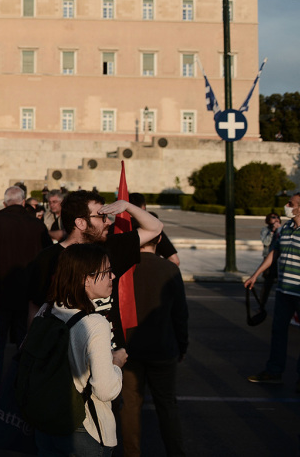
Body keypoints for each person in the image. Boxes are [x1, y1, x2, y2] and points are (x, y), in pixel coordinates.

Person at [26, 190, 164, 347]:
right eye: (102, 216)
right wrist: (34, 345)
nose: (108, 222)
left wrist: (127, 206)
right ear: (81, 223)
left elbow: (155, 228)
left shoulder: (111, 246)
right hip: (65, 353)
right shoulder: (47, 258)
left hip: (109, 350)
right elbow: (35, 306)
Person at [34, 243, 127, 457]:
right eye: (106, 272)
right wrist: (117, 364)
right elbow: (104, 390)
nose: (113, 276)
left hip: (46, 420)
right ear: (86, 278)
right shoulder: (95, 323)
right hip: (84, 426)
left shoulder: (47, 309)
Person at [244, 192, 300, 394]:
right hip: (284, 290)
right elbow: (275, 252)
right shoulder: (285, 228)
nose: (286, 206)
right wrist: (256, 274)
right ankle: (274, 371)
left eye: (290, 203)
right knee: (278, 332)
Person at [119, 223, 188, 457]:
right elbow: (180, 313)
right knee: (167, 405)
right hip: (163, 347)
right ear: (158, 241)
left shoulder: (125, 268)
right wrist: (182, 345)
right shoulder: (169, 269)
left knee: (130, 405)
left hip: (129, 348)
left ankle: (131, 453)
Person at [0, 185, 52, 366]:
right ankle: (20, 386)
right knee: (24, 343)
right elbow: (48, 256)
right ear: (23, 202)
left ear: (4, 203)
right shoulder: (37, 225)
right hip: (28, 296)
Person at [128, 193, 181, 266]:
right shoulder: (150, 228)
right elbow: (174, 260)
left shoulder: (113, 228)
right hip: (149, 271)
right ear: (143, 208)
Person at [258, 212, 283, 306]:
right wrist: (272, 231)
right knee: (268, 283)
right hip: (269, 259)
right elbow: (266, 242)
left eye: (278, 217)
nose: (276, 219)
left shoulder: (282, 230)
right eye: (273, 217)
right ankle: (261, 304)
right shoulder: (266, 230)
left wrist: (279, 230)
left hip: (279, 260)